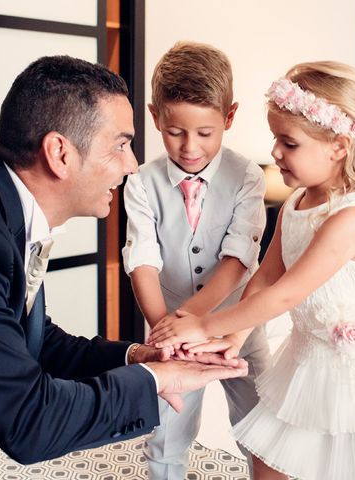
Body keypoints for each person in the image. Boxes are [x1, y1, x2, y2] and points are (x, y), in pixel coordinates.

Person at [0, 55, 250, 480]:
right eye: (121, 145)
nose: (132, 165)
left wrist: (139, 356)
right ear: (59, 153)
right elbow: (31, 422)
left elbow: (34, 341)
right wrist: (155, 380)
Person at [149, 61, 355, 479]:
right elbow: (265, 278)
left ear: (339, 146)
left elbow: (285, 294)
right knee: (268, 463)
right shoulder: (296, 203)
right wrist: (232, 339)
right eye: (275, 139)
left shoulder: (350, 220)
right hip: (306, 360)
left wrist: (204, 326)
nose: (274, 152)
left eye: (288, 143)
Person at [122, 41, 270, 479]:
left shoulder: (247, 176)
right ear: (155, 117)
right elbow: (143, 260)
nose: (189, 147)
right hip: (168, 325)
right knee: (167, 431)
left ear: (229, 116)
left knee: (261, 426)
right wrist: (166, 331)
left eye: (205, 133)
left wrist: (197, 320)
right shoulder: (141, 183)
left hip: (239, 324)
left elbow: (238, 259)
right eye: (175, 131)